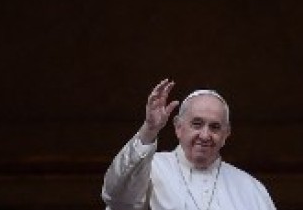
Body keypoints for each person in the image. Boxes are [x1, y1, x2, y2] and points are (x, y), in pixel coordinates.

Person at [102, 79, 277, 210]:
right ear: (178, 127)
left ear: (226, 134)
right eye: (197, 124)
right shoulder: (152, 169)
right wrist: (150, 129)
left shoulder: (251, 188)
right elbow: (117, 198)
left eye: (215, 127)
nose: (205, 135)